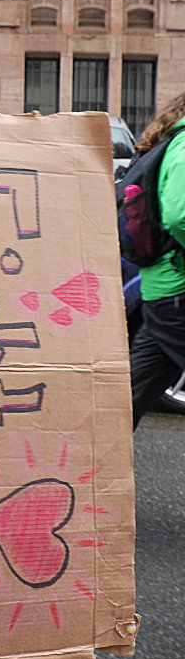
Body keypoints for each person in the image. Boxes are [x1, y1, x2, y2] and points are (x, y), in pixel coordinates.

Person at [128, 92, 185, 429]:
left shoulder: (170, 143)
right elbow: (180, 217)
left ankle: (81, 458)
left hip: (162, 289)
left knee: (132, 392)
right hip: (179, 289)